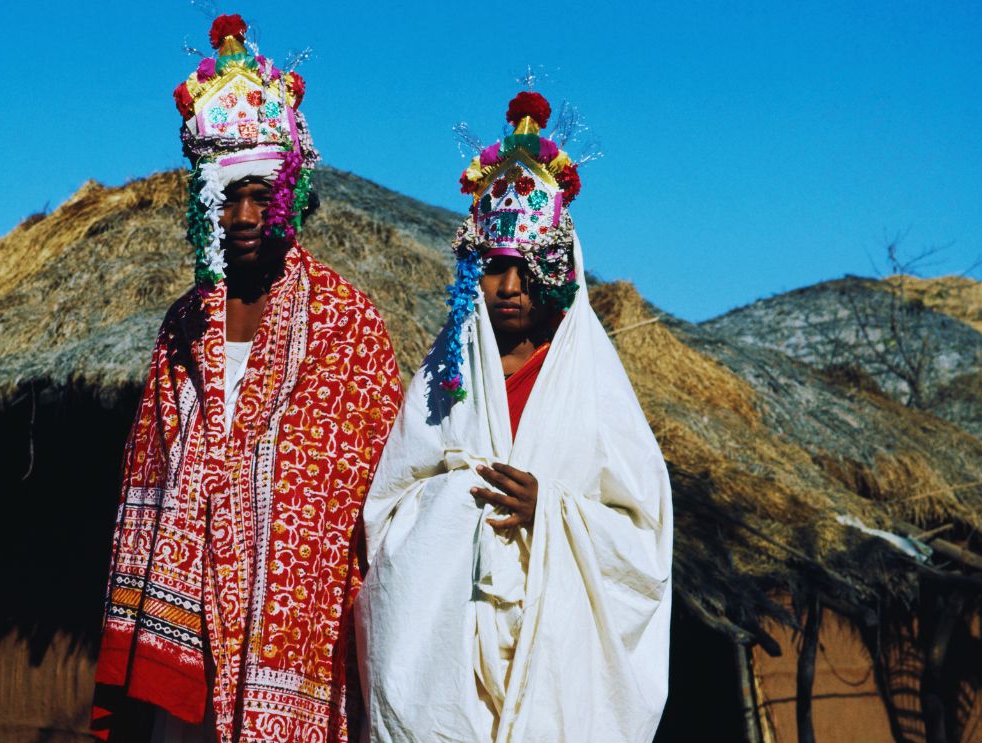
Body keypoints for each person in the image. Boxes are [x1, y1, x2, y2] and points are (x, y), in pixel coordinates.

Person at [91, 14, 402, 743]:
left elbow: (382, 484)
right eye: (227, 197)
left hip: (295, 632)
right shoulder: (182, 324)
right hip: (186, 625)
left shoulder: (346, 321)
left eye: (261, 193)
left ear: (289, 193)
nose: (244, 215)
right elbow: (149, 471)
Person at [355, 91, 673, 743]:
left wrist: (552, 510)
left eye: (526, 268)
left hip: (558, 672)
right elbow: (385, 512)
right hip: (451, 675)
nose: (509, 286)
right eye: (495, 267)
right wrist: (457, 503)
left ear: (558, 272)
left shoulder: (592, 391)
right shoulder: (446, 380)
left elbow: (643, 545)